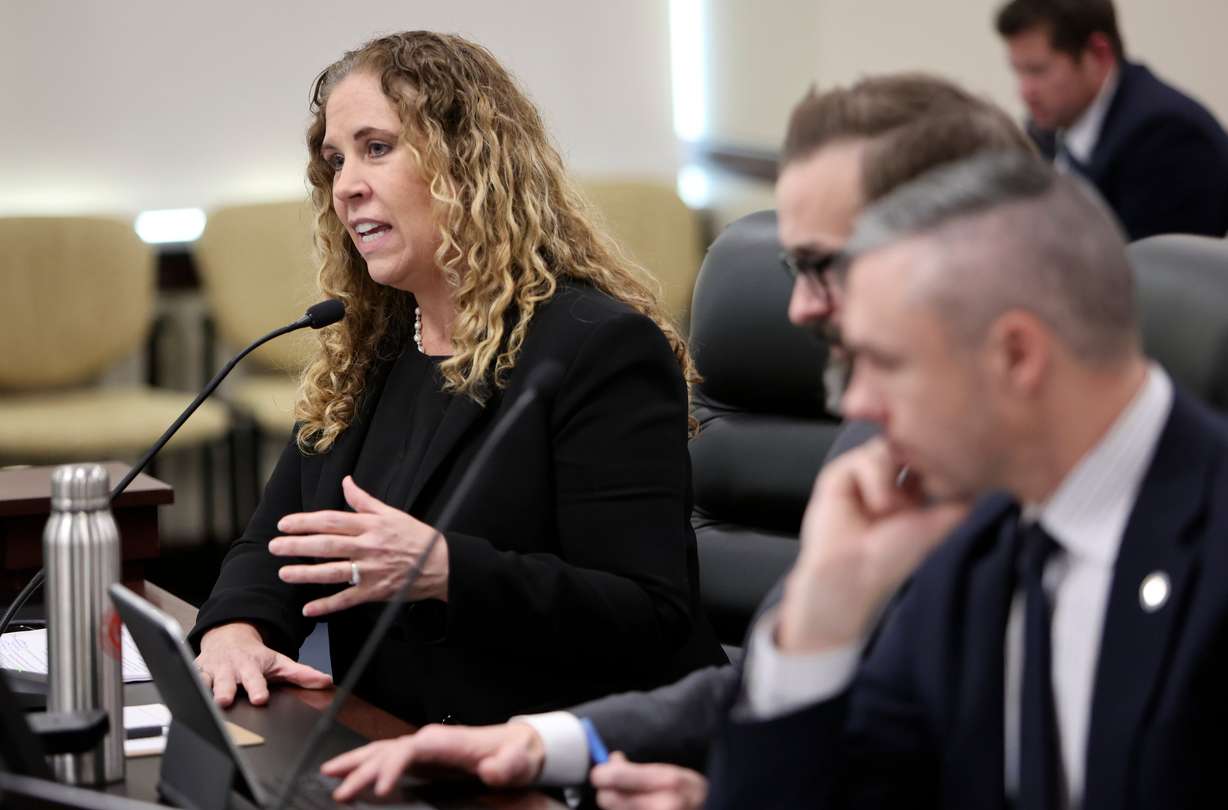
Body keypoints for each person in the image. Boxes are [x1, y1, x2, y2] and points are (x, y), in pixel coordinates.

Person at [318, 74, 1035, 806]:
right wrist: (549, 744)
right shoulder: (885, 456)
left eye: (823, 265)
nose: (798, 308)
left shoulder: (1112, 532)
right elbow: (775, 700)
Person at [187, 30, 727, 728]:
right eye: (334, 159)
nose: (346, 184)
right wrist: (236, 631)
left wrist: (446, 568)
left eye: (377, 148)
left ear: (468, 163)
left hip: (566, 754)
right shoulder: (371, 350)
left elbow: (646, 612)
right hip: (389, 742)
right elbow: (276, 545)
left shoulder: (598, 347)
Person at [705, 151, 1228, 809]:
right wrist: (821, 614)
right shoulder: (969, 552)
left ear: (1015, 355)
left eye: (883, 363)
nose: (855, 405)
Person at [995, 0, 1228, 240]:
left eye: (1037, 70)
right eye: (1018, 71)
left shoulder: (1169, 138)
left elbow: (1156, 271)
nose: (1024, 92)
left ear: (1099, 53)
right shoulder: (1049, 126)